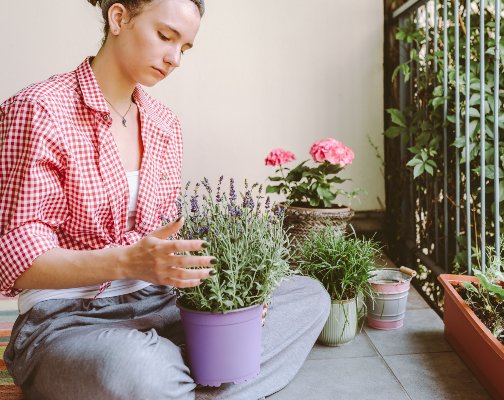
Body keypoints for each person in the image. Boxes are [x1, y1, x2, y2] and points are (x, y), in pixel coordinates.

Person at [0, 1, 330, 399]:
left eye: (185, 48)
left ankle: (183, 380)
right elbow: (18, 262)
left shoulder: (164, 124)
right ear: (119, 18)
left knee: (307, 297)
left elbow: (166, 243)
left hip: (162, 303)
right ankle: (201, 377)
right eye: (165, 36)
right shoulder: (38, 110)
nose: (174, 59)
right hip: (69, 322)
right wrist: (125, 261)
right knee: (136, 371)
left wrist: (237, 296)